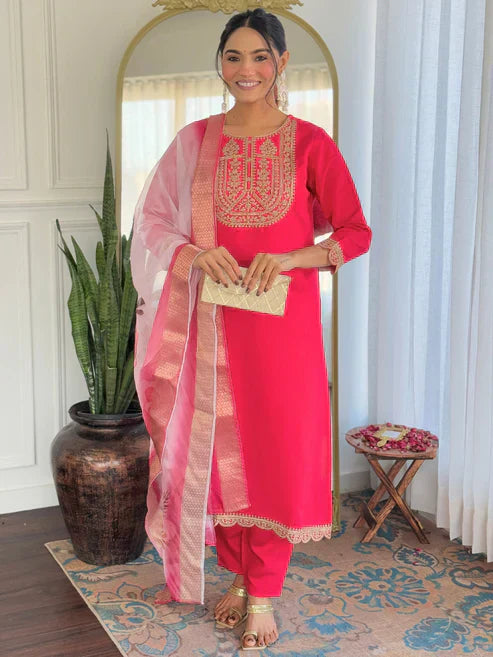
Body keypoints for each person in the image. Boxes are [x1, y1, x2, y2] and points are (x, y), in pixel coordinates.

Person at [130, 7, 372, 652]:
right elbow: (153, 221)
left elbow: (355, 233)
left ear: (281, 62)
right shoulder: (195, 140)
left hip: (282, 329)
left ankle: (264, 590)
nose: (246, 70)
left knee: (275, 450)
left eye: (260, 57)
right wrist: (192, 253)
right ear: (220, 63)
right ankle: (238, 574)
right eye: (233, 57)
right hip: (211, 321)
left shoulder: (311, 143)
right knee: (218, 451)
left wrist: (291, 258)